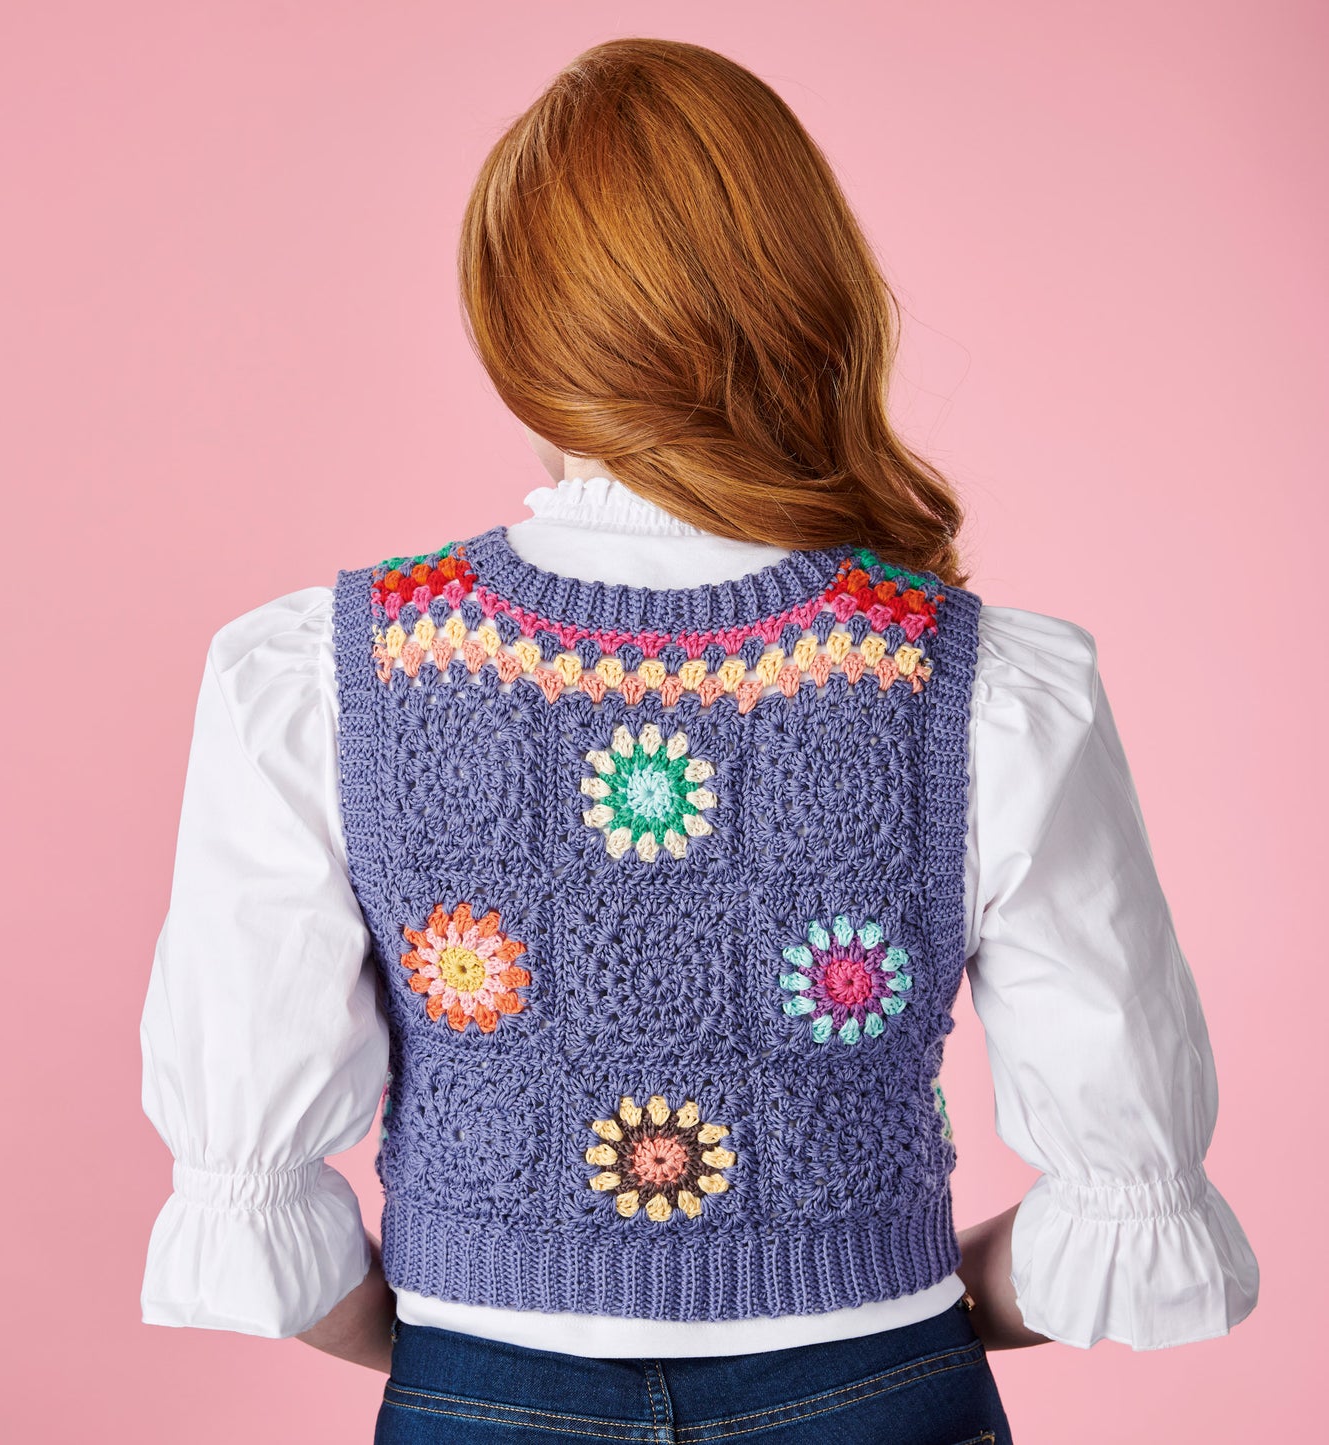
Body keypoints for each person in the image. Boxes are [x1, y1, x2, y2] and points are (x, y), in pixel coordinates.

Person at [138, 37, 1258, 1444]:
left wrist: (471, 1373)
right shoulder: (981, 682)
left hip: (481, 1387)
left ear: (514, 333)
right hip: (876, 1384)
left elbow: (254, 1192)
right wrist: (903, 1319)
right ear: (812, 296)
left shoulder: (323, 673)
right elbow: (1129, 1174)